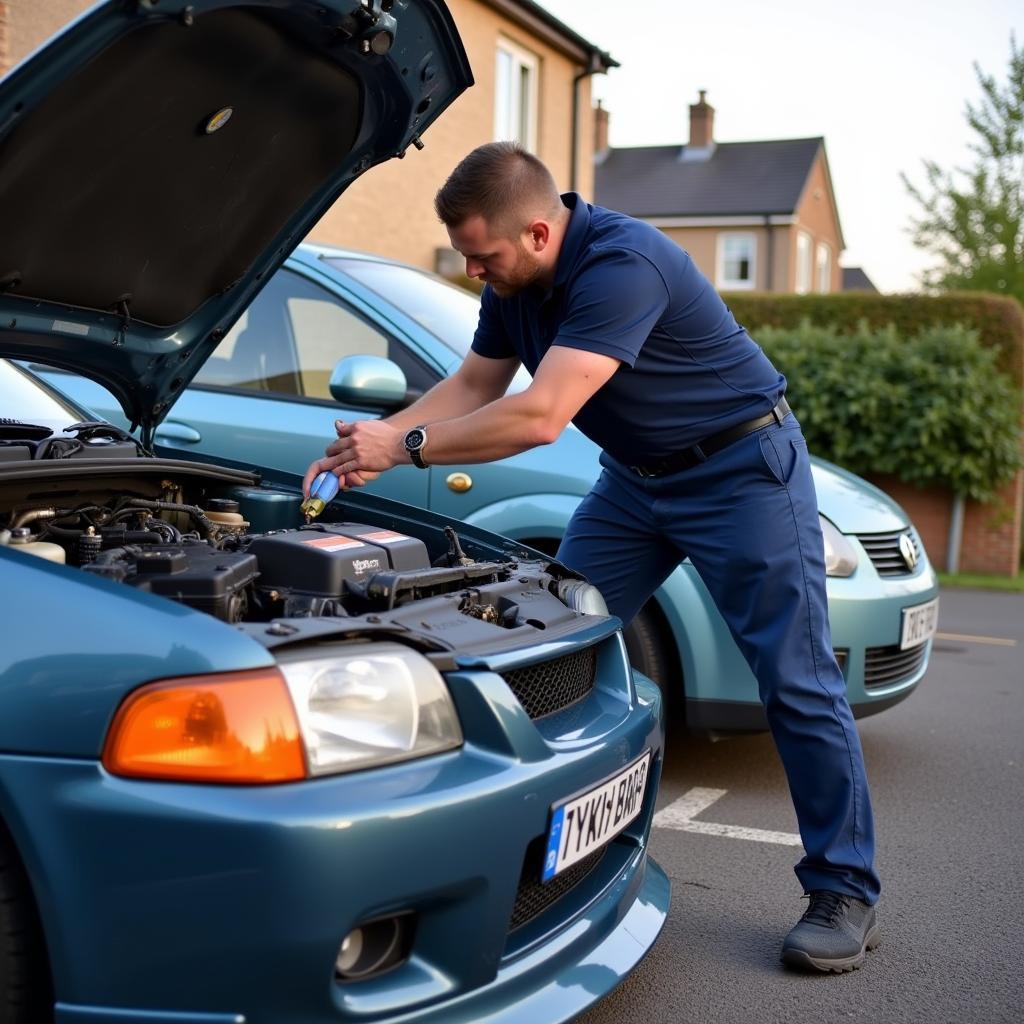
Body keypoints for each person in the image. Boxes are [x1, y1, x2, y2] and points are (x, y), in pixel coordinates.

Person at [303, 141, 881, 973]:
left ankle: (845, 889)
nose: (473, 272)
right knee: (545, 630)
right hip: (636, 484)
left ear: (539, 233)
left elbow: (540, 415)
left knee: (794, 680)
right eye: (466, 257)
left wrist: (407, 446)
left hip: (740, 473)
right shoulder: (516, 281)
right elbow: (474, 386)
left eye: (484, 255)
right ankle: (549, 850)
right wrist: (376, 441)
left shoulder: (624, 264)